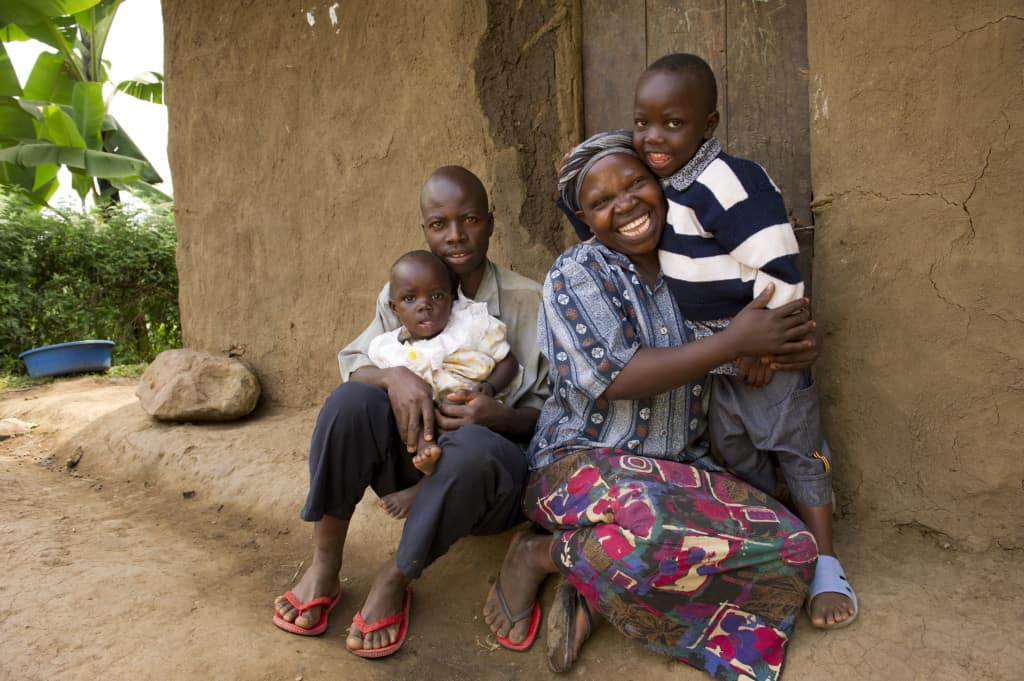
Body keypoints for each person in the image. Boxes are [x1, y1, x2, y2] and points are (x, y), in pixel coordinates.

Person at [483, 131, 820, 680]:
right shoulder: (577, 273)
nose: (625, 205)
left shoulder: (697, 269)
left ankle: (590, 583)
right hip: (579, 466)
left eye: (636, 183)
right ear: (586, 219)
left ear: (660, 186)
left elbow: (766, 340)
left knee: (794, 548)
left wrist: (785, 342)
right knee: (649, 523)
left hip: (678, 475)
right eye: (600, 202)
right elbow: (615, 376)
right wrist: (736, 341)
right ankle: (538, 555)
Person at [272, 166, 548, 659]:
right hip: (414, 456)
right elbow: (358, 365)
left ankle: (395, 576)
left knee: (476, 448)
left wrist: (496, 415)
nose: (456, 236)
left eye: (469, 220)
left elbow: (554, 420)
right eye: (439, 223)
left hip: (486, 480)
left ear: (491, 221)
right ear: (425, 229)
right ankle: (324, 563)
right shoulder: (401, 289)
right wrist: (393, 377)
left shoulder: (527, 301)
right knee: (349, 402)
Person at [631, 52, 857, 630]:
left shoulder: (728, 183)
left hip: (763, 354)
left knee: (795, 446)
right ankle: (781, 544)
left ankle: (827, 562)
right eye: (642, 121)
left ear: (709, 125)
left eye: (673, 123)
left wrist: (761, 347)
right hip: (719, 359)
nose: (654, 136)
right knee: (735, 451)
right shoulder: (662, 178)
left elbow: (781, 268)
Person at [367, 249, 523, 474]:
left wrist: (489, 387)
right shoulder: (389, 348)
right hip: (424, 426)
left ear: (452, 297)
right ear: (394, 308)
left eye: (437, 296)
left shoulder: (470, 327)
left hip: (471, 416)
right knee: (414, 416)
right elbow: (367, 380)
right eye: (410, 299)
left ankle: (423, 488)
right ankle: (425, 460)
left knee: (465, 442)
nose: (424, 306)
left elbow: (509, 362)